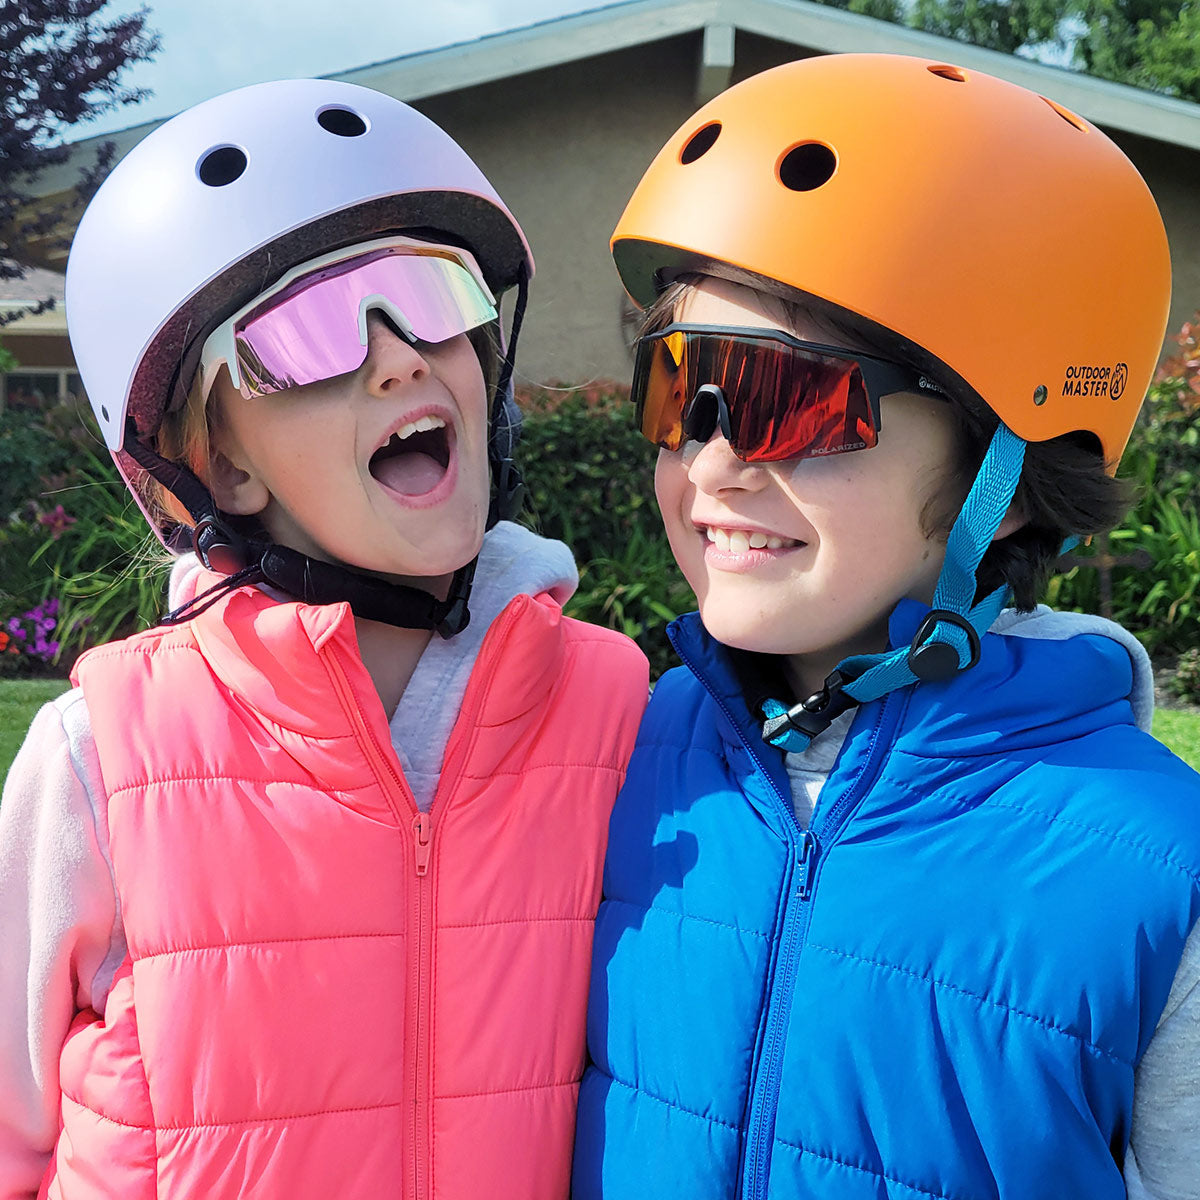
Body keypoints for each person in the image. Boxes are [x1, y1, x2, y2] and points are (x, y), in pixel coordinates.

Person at [0, 78, 647, 1200]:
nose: (402, 357)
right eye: (305, 338)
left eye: (432, 297)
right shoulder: (103, 758)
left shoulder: (616, 707)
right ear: (224, 469)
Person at [573, 53, 1200, 1200]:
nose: (712, 462)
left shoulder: (1163, 870)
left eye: (793, 401)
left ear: (1005, 480)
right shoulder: (611, 752)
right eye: (680, 390)